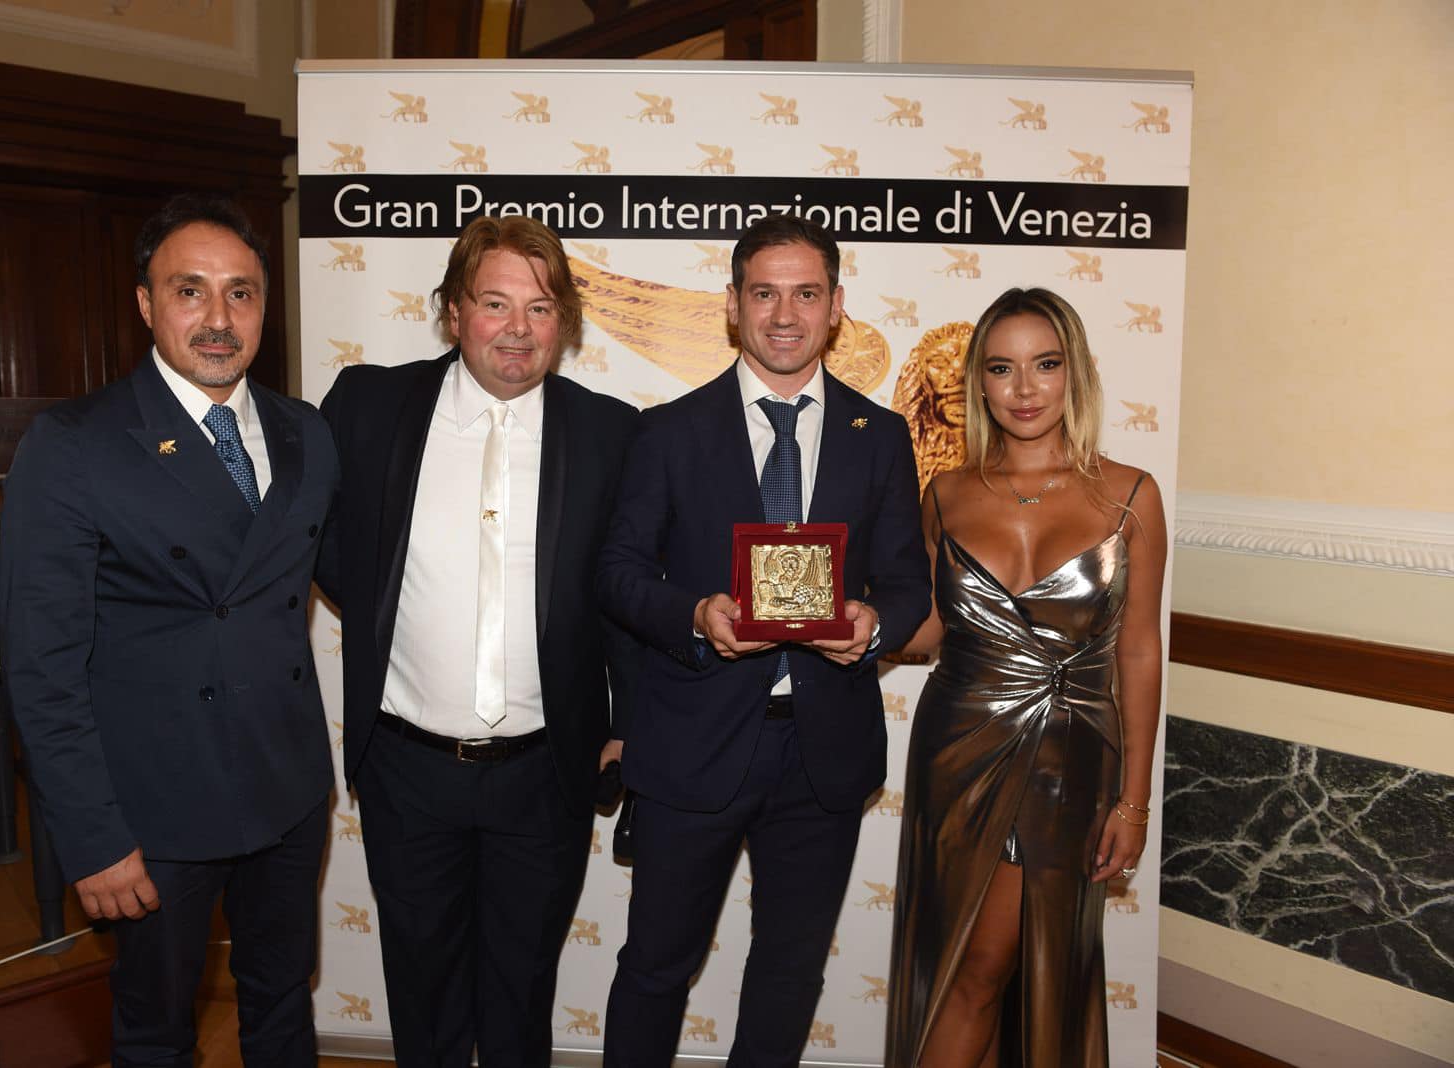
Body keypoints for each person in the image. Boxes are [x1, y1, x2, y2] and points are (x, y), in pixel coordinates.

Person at [0, 194, 339, 1067]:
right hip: (152, 813)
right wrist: (93, 839)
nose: (219, 318)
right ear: (147, 304)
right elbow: (41, 666)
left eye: (241, 293)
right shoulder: (75, 443)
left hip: (287, 789)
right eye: (191, 290)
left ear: (265, 306)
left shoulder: (306, 433)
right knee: (155, 1033)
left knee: (282, 1003)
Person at [598, 214, 932, 1066]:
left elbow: (907, 583)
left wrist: (875, 625)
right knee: (655, 967)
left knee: (789, 974)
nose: (785, 315)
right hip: (691, 743)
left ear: (837, 307)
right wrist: (695, 615)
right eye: (765, 293)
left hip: (822, 752)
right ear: (733, 304)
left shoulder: (880, 436)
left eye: (806, 294)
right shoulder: (667, 431)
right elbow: (618, 573)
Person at [315, 214, 638, 1067]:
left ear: (564, 322)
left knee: (522, 995)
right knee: (423, 999)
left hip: (546, 773)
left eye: (541, 308)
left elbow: (627, 590)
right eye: (496, 303)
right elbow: (328, 549)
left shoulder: (611, 434)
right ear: (454, 311)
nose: (518, 329)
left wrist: (626, 722)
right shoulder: (369, 407)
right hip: (407, 768)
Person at [884, 287, 1167, 1068]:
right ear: (978, 383)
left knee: (1010, 968)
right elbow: (930, 629)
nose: (1025, 389)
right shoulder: (946, 493)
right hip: (958, 752)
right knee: (967, 965)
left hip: (1069, 762)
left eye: (1045, 364)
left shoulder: (1131, 494)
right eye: (1002, 368)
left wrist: (1134, 801)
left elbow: (1140, 652)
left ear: (1076, 372)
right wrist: (848, 628)